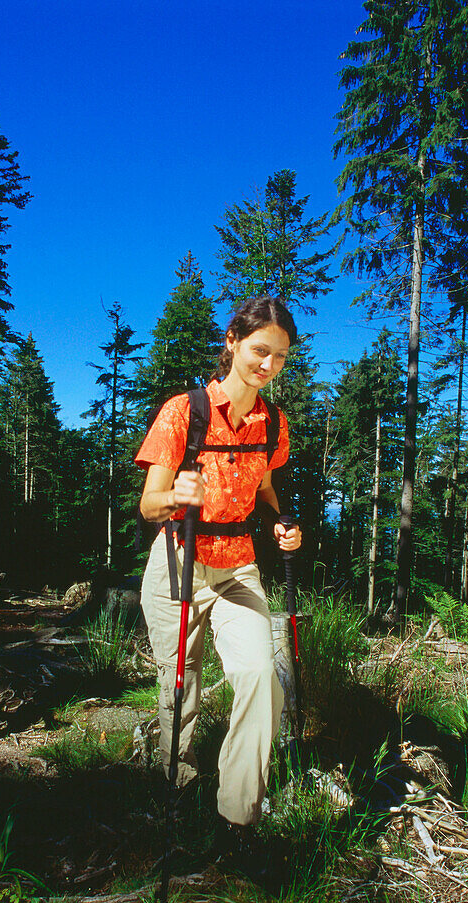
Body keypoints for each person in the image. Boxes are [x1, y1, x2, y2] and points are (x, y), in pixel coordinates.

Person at [136, 296, 302, 866]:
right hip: (178, 562)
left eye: (280, 357)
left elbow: (264, 491)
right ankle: (175, 791)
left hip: (237, 567)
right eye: (260, 351)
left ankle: (237, 820)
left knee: (260, 674)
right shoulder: (184, 412)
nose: (268, 366)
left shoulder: (273, 423)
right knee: (181, 683)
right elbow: (148, 504)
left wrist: (284, 523)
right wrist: (175, 497)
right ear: (232, 340)